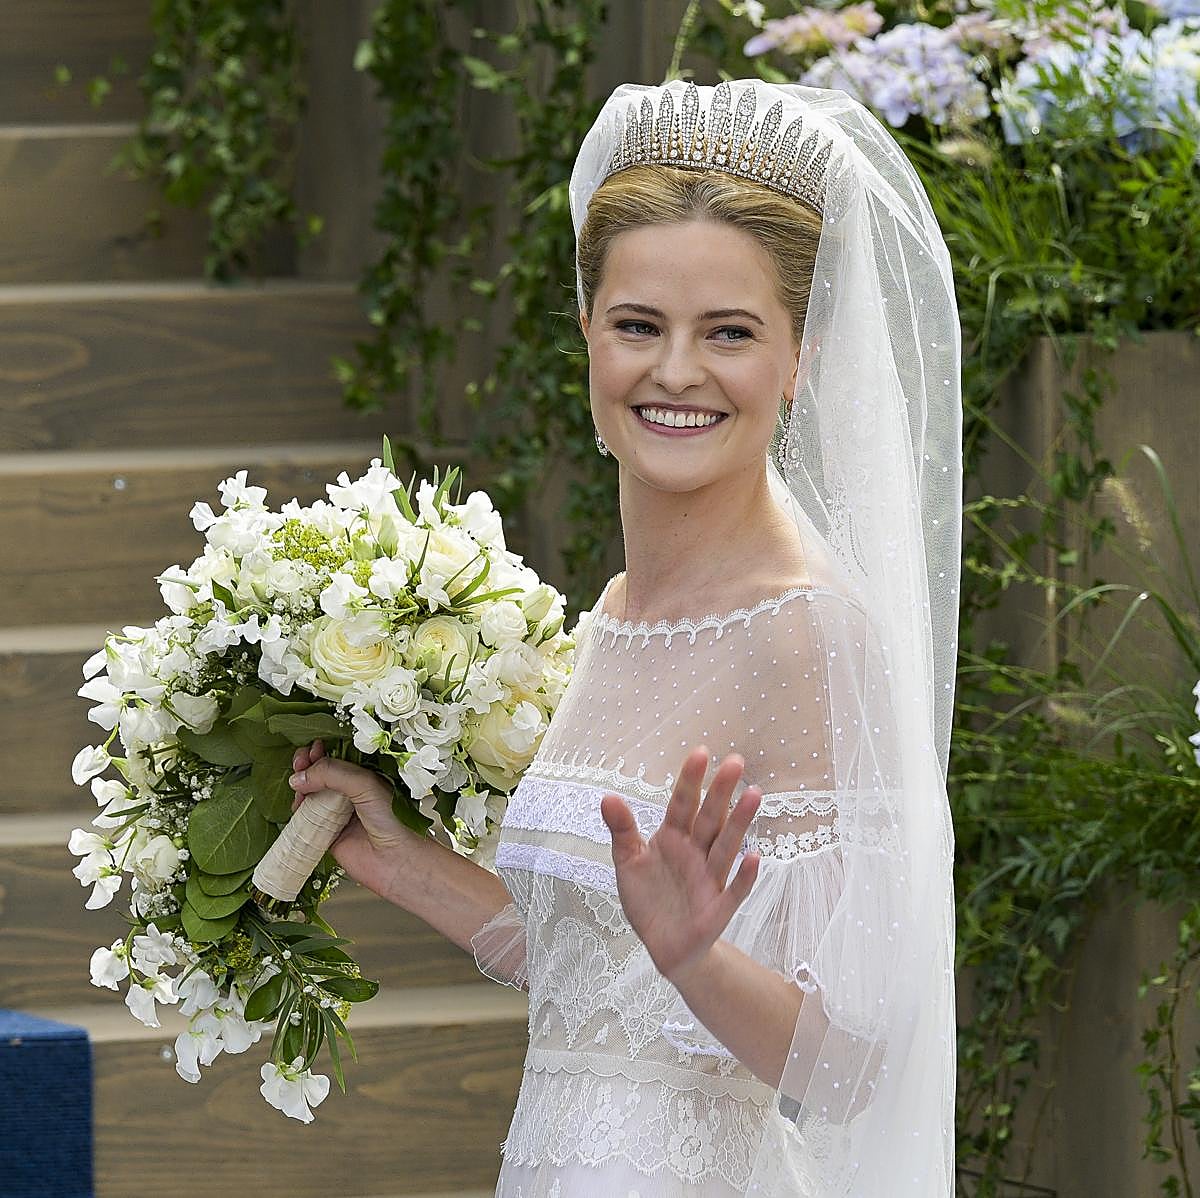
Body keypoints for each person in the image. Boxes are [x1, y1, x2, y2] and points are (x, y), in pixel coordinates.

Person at [288, 78, 962, 1196]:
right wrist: (405, 866)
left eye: (730, 332)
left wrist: (696, 956)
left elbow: (854, 1072)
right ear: (588, 336)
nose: (677, 370)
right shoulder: (611, 614)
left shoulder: (809, 634)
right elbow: (589, 976)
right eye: (638, 325)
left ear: (799, 360)